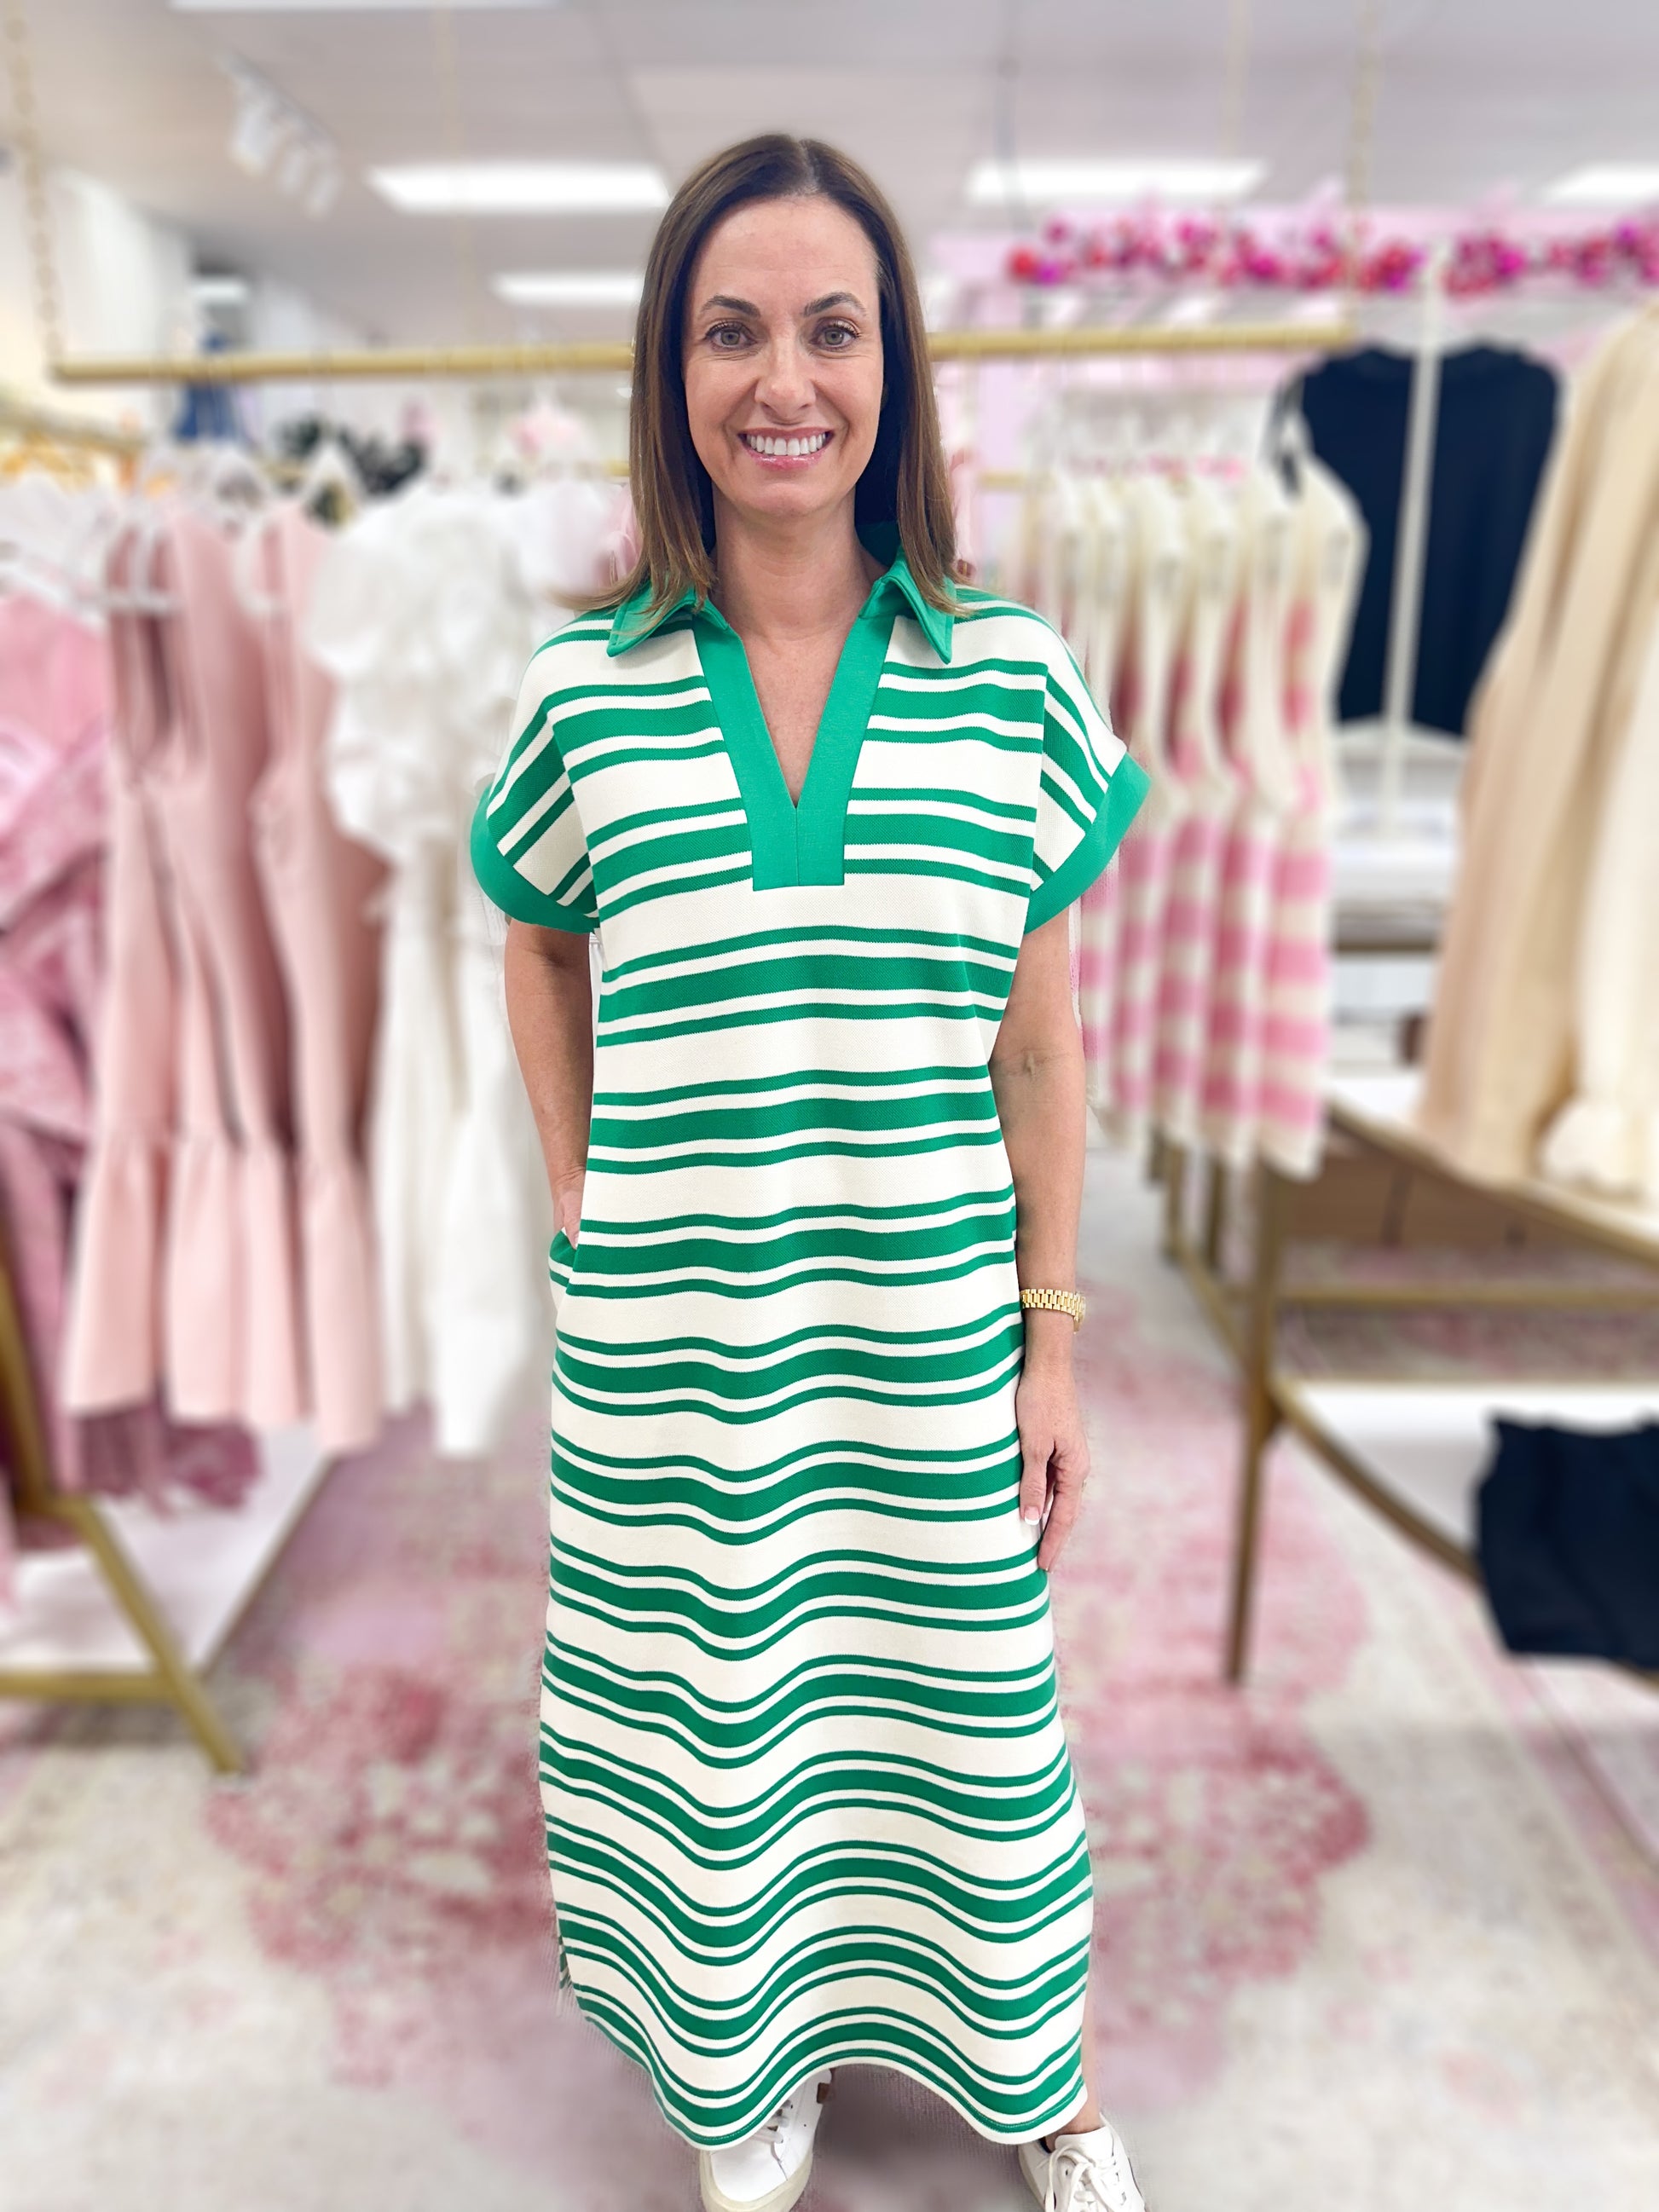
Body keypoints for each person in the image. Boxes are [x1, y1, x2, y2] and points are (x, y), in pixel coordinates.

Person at [471, 134, 1149, 2212]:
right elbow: (536, 943)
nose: (785, 380)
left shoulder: (1008, 677)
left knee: (971, 1727)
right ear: (670, 371)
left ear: (894, 367)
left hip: (925, 1337)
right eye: (732, 330)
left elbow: (1038, 1042)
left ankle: (1042, 2079)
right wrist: (584, 1194)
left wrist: (1050, 1335)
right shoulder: (581, 691)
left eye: (832, 329)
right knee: (720, 1735)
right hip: (677, 1359)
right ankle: (747, 2076)